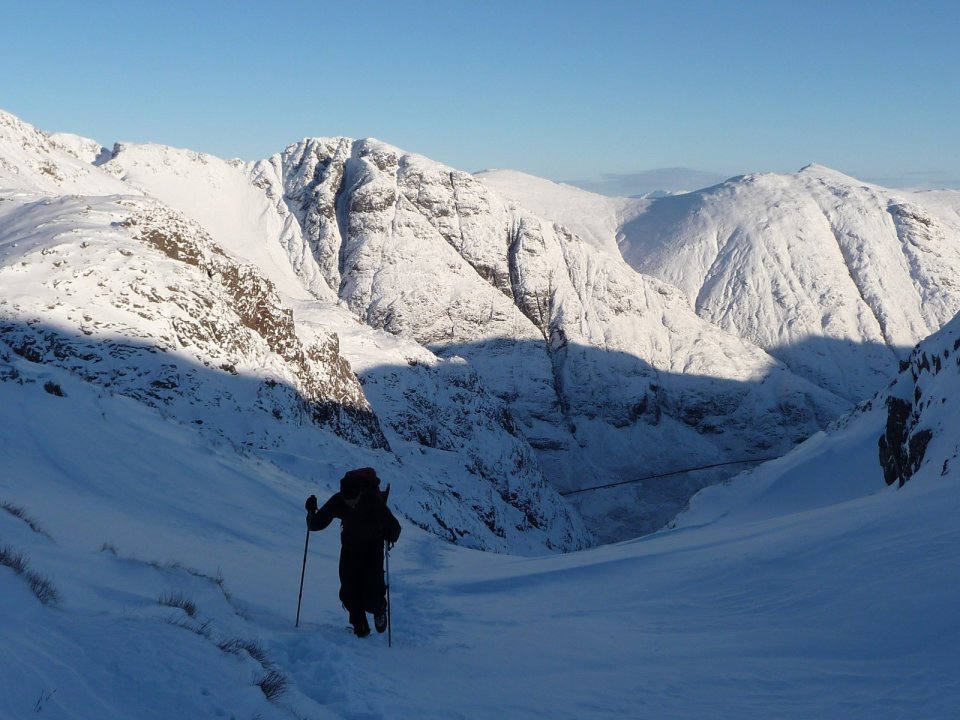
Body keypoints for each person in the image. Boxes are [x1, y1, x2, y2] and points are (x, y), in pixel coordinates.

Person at [305, 467, 401, 638]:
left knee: (373, 591)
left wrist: (389, 534)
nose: (351, 504)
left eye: (354, 500)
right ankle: (360, 627)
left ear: (360, 493)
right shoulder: (339, 500)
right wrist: (311, 512)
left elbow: (395, 527)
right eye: (347, 500)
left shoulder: (373, 501)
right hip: (350, 547)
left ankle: (379, 609)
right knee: (349, 590)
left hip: (373, 548)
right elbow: (315, 524)